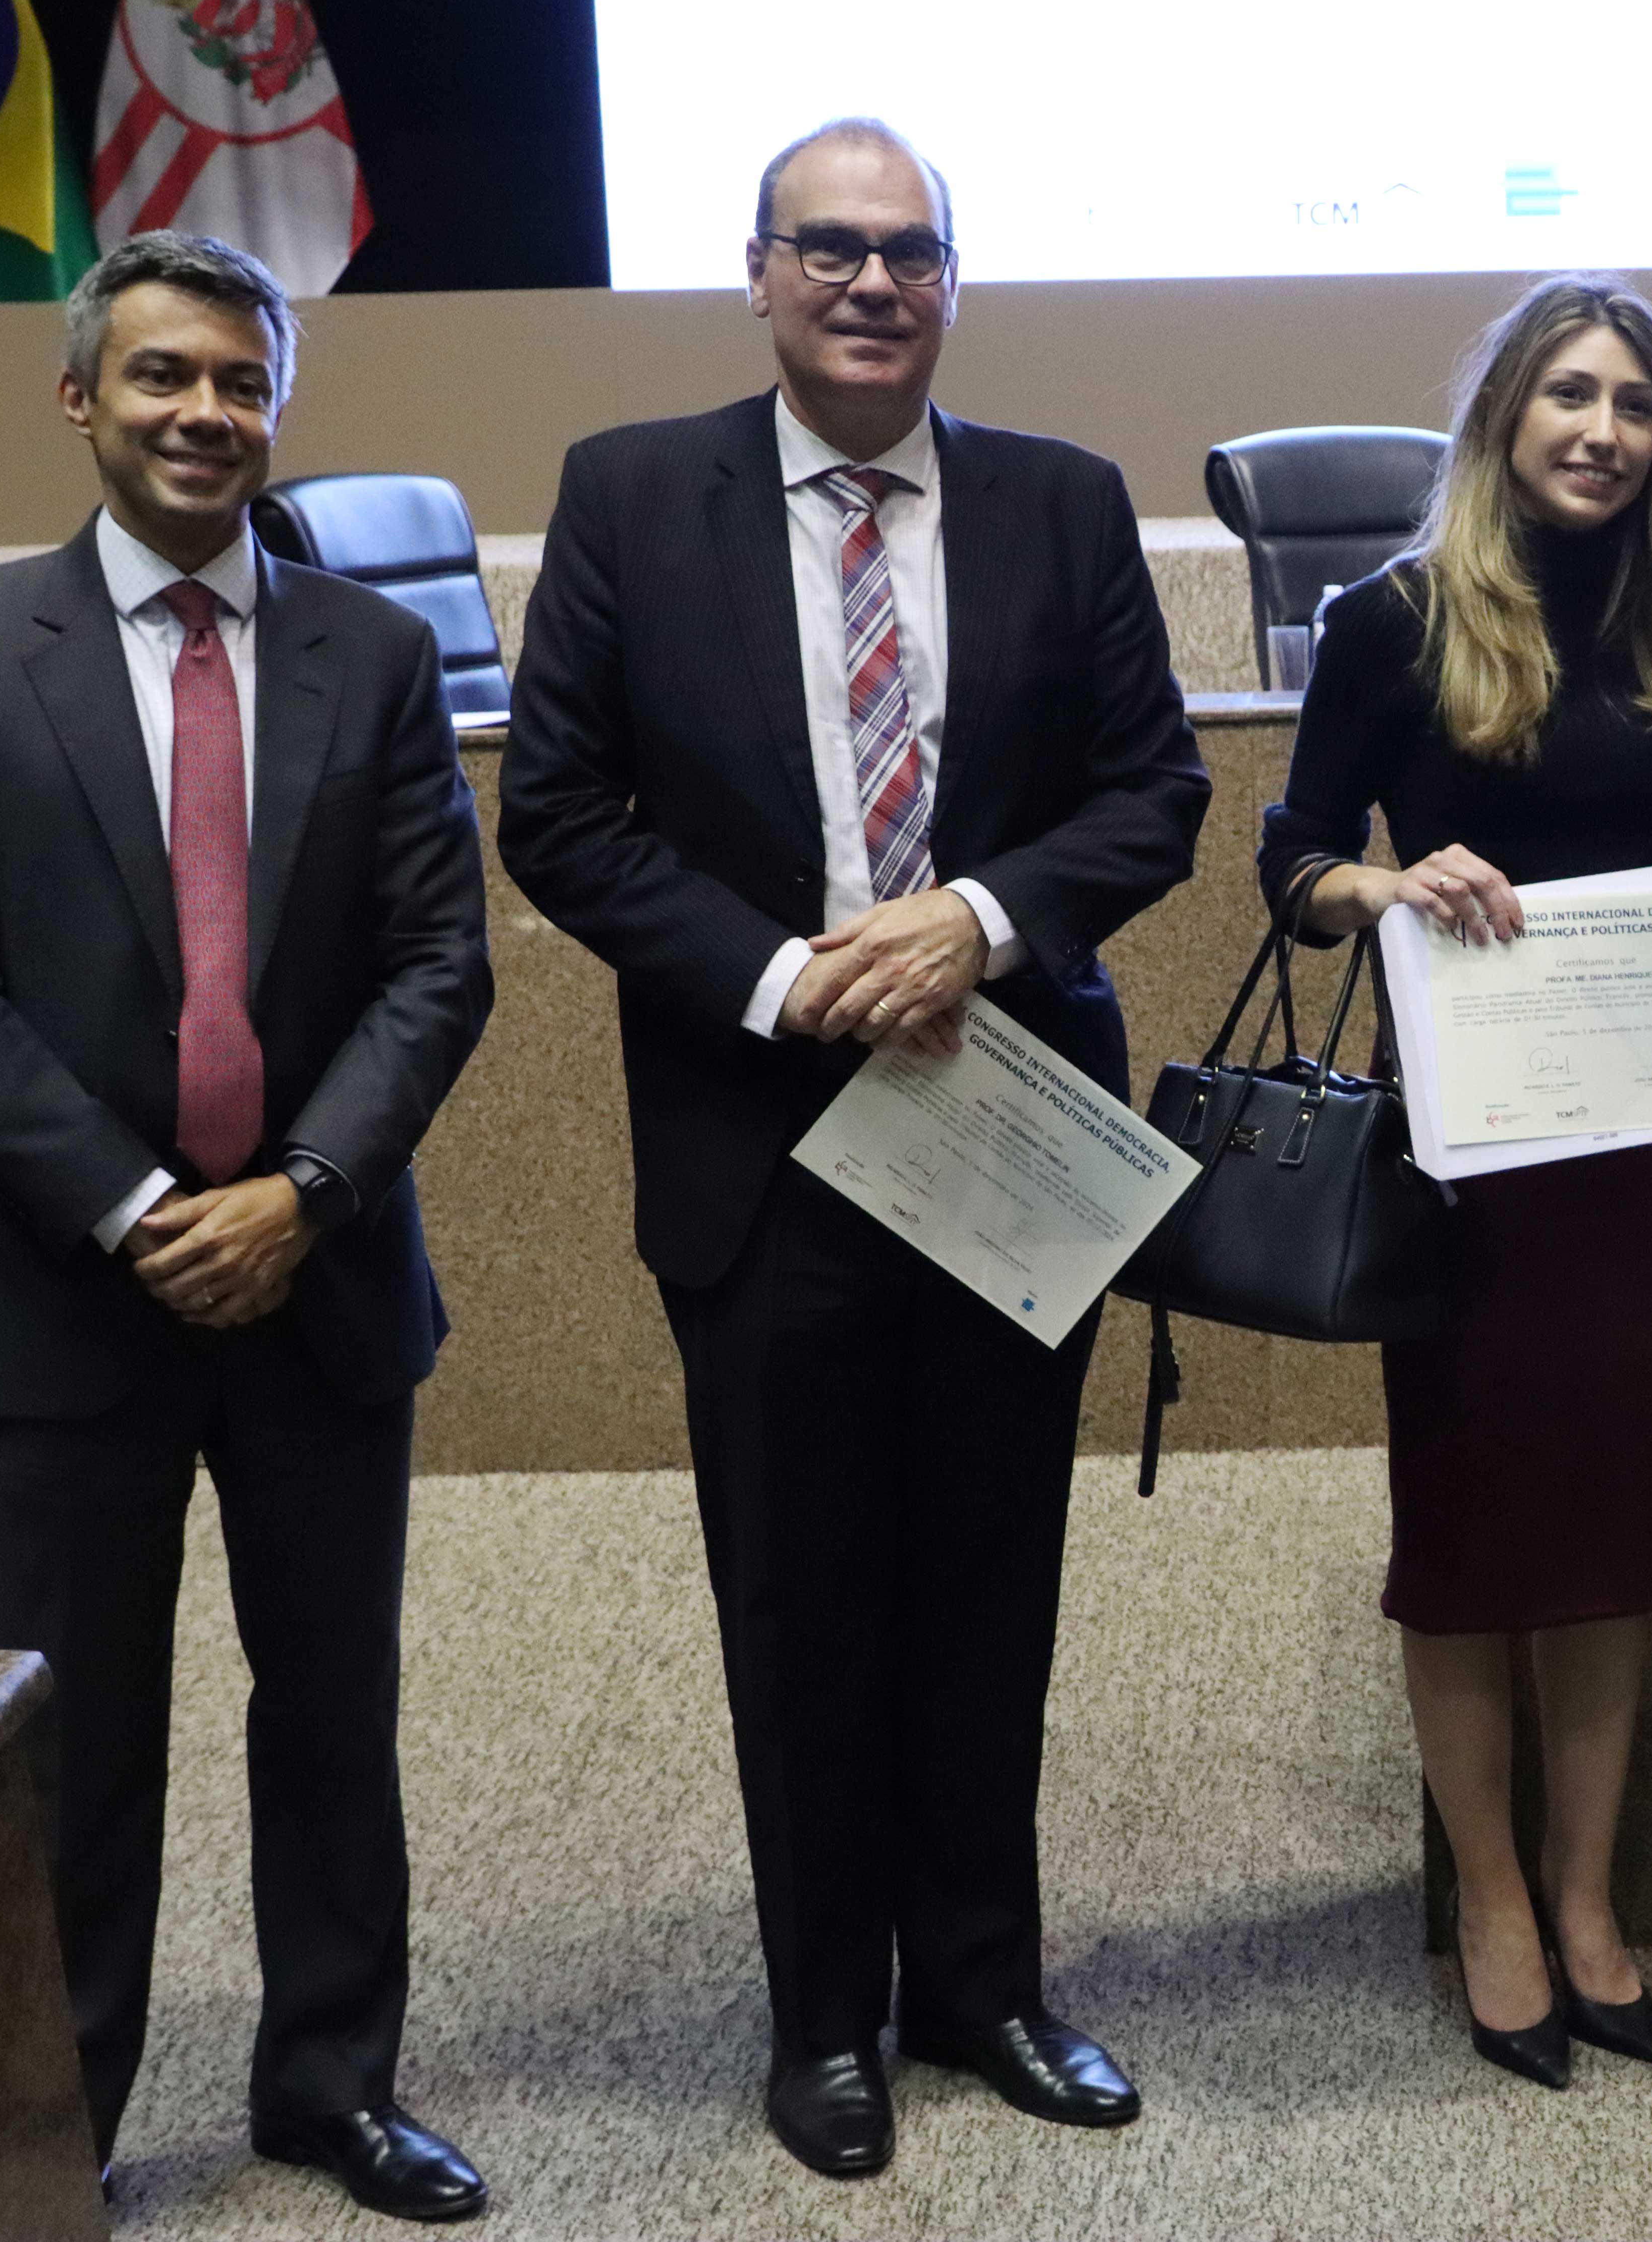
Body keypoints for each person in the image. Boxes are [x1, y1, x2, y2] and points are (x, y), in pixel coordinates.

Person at [498, 119, 1209, 2178]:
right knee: (801, 1604)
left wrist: (976, 920)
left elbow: (1154, 792)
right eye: (829, 247)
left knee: (992, 1584)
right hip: (763, 1142)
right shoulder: (633, 494)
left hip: (1004, 1128)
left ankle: (983, 1986)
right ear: (759, 273)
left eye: (910, 250)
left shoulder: (1063, 502)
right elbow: (561, 814)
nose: (872, 282)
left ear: (953, 282)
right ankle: (824, 2018)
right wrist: (786, 977)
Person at [0, 233, 494, 2218]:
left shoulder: (372, 654)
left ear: (275, 403)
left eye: (239, 379)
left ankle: (335, 2084)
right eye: (162, 376)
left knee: (334, 1707)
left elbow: (440, 962)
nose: (204, 412)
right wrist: (143, 1210)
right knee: (69, 1734)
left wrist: (302, 1194)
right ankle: (61, 2120)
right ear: (81, 399)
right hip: (67, 1292)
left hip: (321, 1274)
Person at [1259, 276, 1652, 2088]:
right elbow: (1294, 861)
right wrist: (1388, 887)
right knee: (1471, 1538)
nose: (1604, 432)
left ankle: (1589, 1894)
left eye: (1635, 406)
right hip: (1474, 1149)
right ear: (1505, 417)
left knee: (1615, 1530)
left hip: (1642, 1138)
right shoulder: (1394, 618)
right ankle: (1493, 1900)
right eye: (1571, 396)